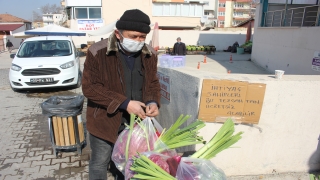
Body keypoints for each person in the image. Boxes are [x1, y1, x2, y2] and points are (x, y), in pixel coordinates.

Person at [82, 9, 161, 180]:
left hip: (136, 122)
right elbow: (90, 87)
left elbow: (152, 83)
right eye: (133, 36)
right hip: (104, 121)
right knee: (99, 163)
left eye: (142, 37)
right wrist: (125, 103)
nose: (139, 41)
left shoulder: (150, 54)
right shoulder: (97, 51)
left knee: (129, 162)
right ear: (118, 34)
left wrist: (153, 101)